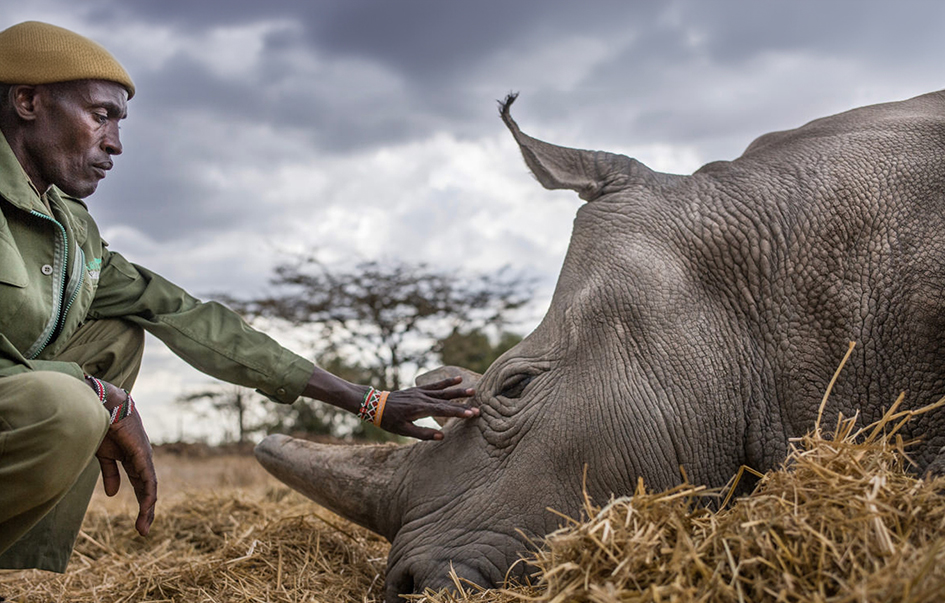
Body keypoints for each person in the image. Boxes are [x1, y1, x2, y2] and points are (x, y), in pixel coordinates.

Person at [0, 21, 478, 573]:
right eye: (99, 115)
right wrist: (97, 397)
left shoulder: (70, 229)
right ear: (29, 101)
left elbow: (190, 318)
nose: (115, 143)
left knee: (117, 337)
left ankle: (16, 562)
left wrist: (369, 401)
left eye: (118, 122)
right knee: (67, 404)